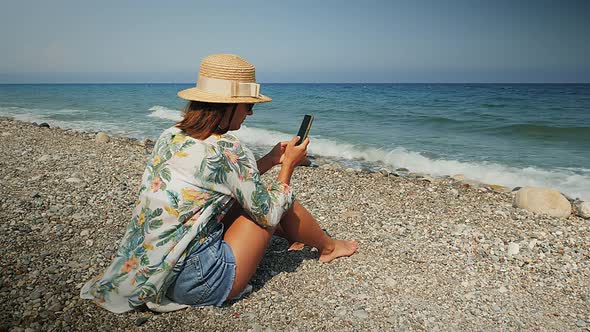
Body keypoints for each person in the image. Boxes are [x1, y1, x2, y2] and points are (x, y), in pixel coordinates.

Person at [80, 54, 358, 313]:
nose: (250, 114)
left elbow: (220, 179)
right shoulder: (227, 148)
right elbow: (270, 211)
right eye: (248, 105)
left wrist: (271, 160)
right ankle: (329, 247)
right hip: (199, 279)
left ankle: (304, 238)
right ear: (227, 106)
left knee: (249, 197)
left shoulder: (172, 135)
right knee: (277, 200)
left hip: (150, 269)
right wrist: (287, 166)